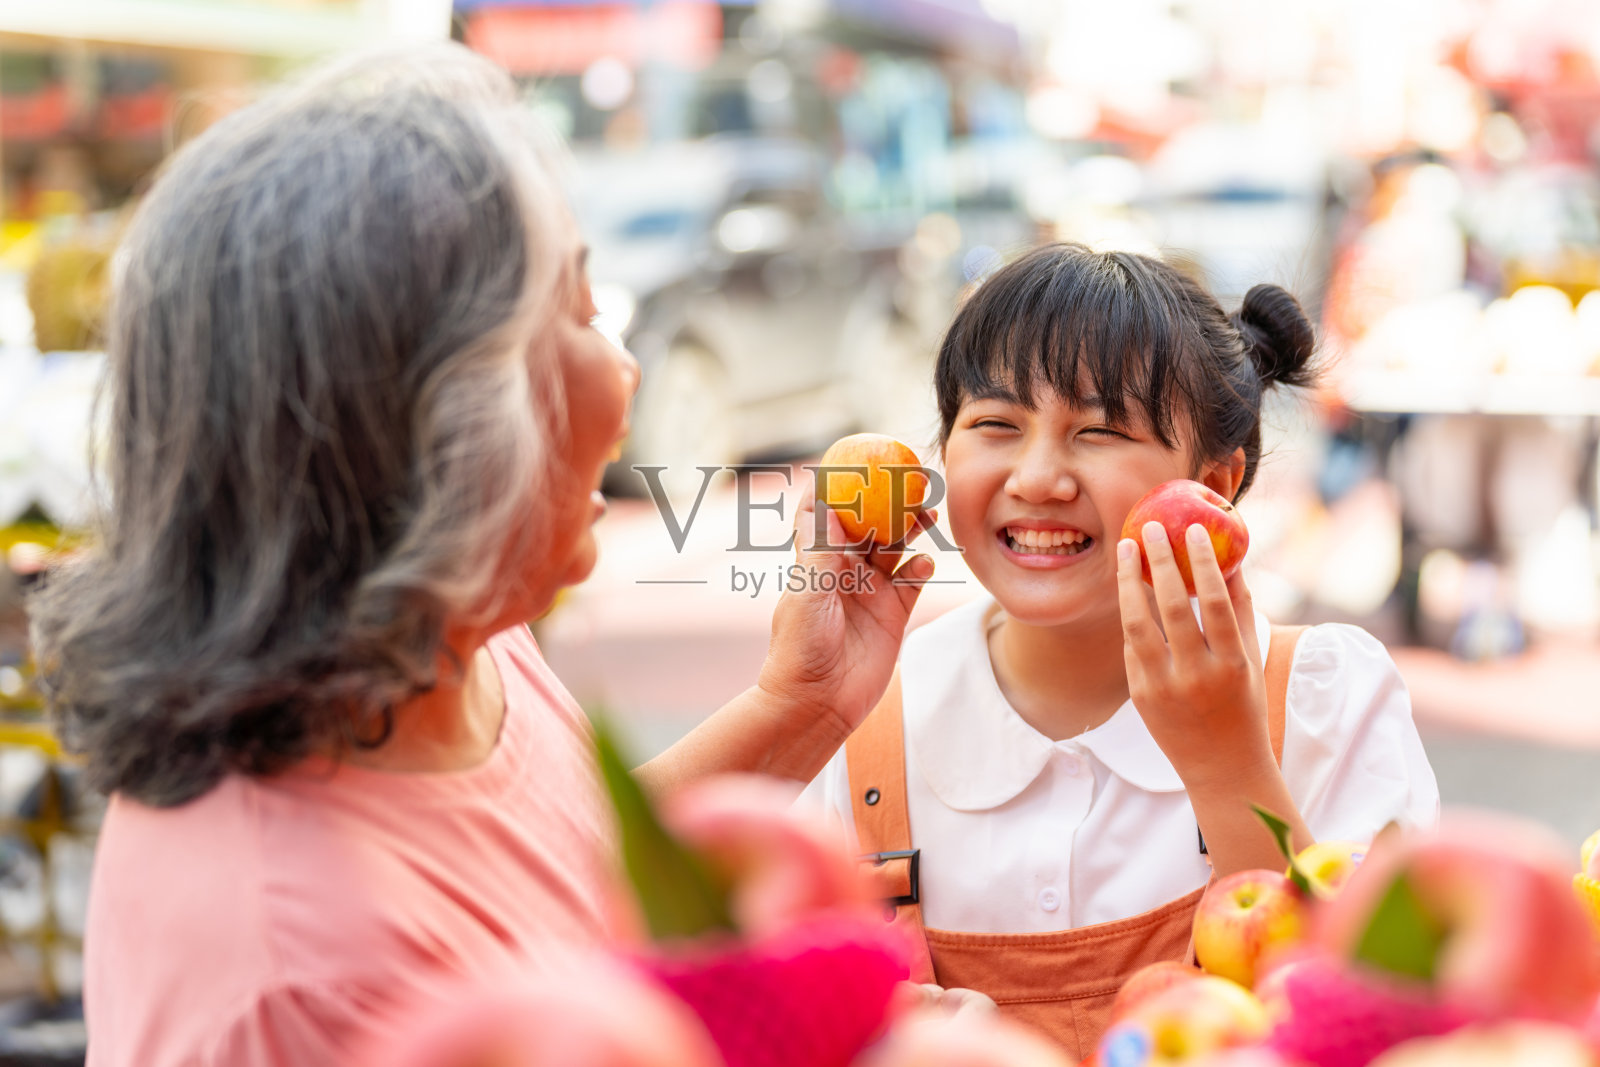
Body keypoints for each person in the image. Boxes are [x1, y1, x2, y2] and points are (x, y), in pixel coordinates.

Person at [25, 46, 937, 1067]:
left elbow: (555, 891)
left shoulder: (432, 654)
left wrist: (802, 701)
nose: (629, 369)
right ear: (447, 418)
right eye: (581, 313)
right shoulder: (308, 976)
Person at [800, 243, 1440, 1059]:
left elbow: (1393, 1024)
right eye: (995, 423)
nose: (1037, 477)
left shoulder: (1321, 695)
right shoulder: (869, 719)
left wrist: (1227, 762)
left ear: (1215, 478)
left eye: (1099, 432)